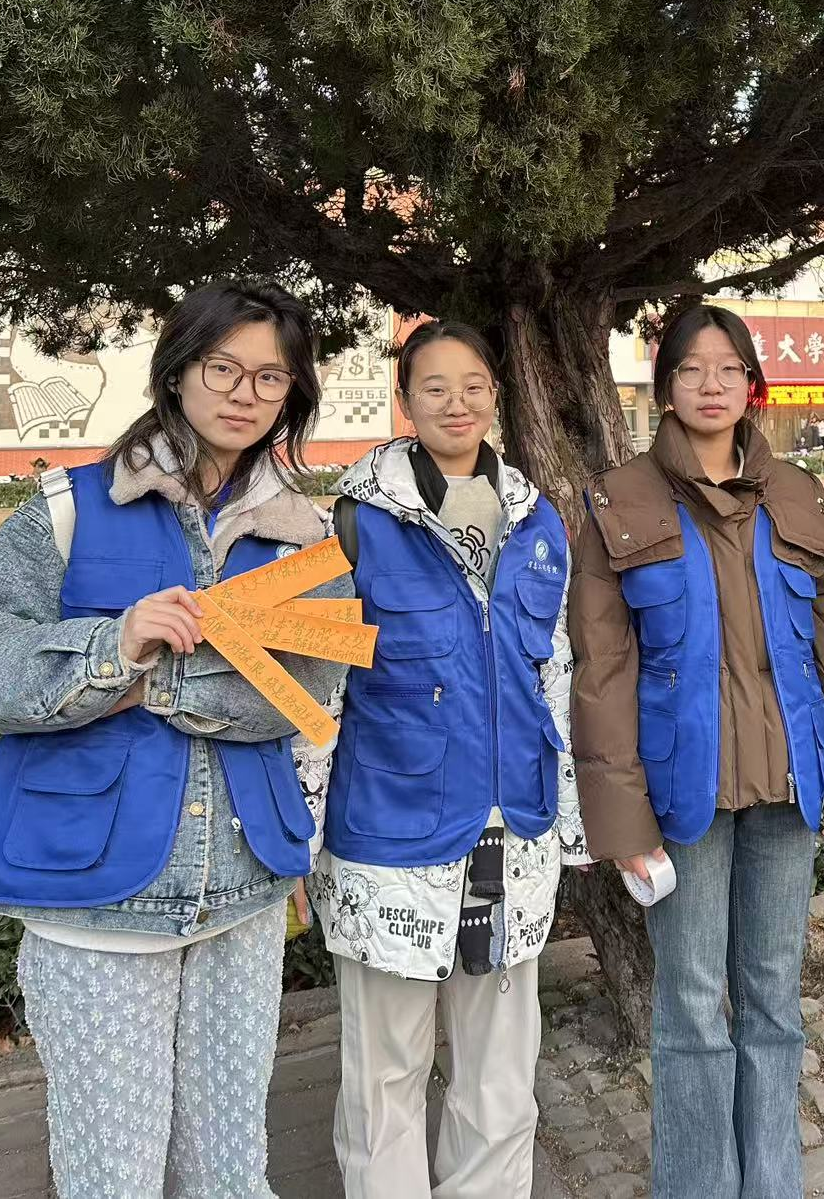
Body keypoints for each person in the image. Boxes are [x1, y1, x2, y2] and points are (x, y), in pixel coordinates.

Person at [0, 283, 350, 1199]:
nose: (245, 392)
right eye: (223, 367)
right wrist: (115, 645)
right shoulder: (71, 506)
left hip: (244, 889)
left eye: (271, 377)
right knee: (114, 1174)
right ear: (177, 371)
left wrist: (158, 682)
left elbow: (313, 689)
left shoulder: (303, 534)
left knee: (231, 1170)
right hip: (96, 897)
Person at [569, 303, 824, 1199]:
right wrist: (622, 819)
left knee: (774, 1002)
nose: (710, 386)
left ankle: (773, 1184)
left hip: (790, 787)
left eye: (728, 369)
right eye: (690, 369)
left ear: (752, 385)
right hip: (684, 796)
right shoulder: (619, 498)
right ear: (665, 385)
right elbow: (603, 671)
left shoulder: (796, 491)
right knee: (689, 1010)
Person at [304, 321, 587, 1199]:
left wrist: (574, 822)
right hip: (389, 839)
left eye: (473, 385)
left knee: (501, 1076)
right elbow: (319, 696)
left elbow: (557, 679)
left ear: (495, 395)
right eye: (434, 387)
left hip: (513, 833)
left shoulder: (537, 521)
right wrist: (295, 840)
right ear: (405, 401)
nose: (456, 403)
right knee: (384, 1075)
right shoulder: (355, 521)